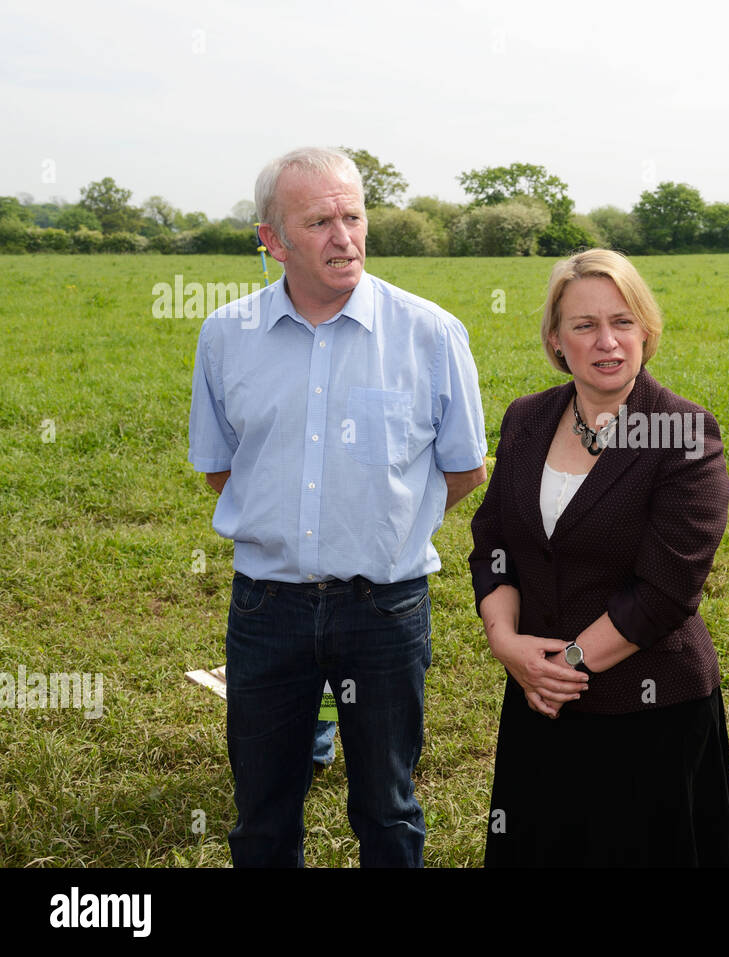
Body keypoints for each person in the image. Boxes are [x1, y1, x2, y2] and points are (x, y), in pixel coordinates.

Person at [188, 147, 487, 867]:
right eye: (319, 221)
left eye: (352, 215)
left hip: (385, 609)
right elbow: (222, 468)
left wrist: (380, 528)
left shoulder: (430, 334)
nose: (343, 236)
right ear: (273, 240)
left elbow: (466, 467)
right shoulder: (227, 336)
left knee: (387, 809)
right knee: (262, 812)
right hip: (266, 609)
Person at [468, 249, 729, 867]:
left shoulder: (683, 432)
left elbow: (665, 590)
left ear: (646, 330)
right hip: (538, 694)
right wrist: (506, 643)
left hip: (646, 708)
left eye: (622, 322)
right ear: (556, 341)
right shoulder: (528, 417)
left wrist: (559, 666)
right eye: (584, 325)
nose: (607, 342)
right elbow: (493, 540)